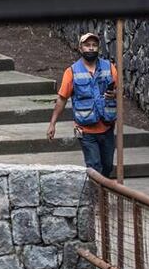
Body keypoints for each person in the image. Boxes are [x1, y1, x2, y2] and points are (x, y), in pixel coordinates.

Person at [46, 33, 119, 177]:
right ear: (80, 48)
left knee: (108, 166)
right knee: (94, 166)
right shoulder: (72, 72)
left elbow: (119, 91)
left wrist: (114, 94)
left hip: (107, 127)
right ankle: (97, 198)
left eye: (94, 45)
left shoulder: (109, 68)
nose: (91, 48)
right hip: (86, 131)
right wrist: (52, 123)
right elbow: (62, 98)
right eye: (87, 45)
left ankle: (101, 196)